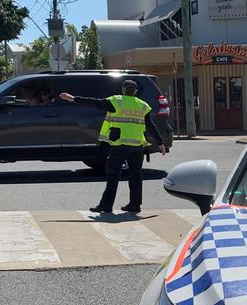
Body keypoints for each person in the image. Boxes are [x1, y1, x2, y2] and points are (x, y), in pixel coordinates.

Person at [60, 79, 167, 214]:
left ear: (123, 89)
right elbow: (151, 126)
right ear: (136, 92)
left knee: (113, 174)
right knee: (135, 175)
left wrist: (73, 98)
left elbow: (94, 102)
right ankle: (135, 205)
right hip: (137, 146)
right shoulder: (143, 105)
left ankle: (106, 205)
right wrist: (161, 143)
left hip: (120, 145)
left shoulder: (117, 101)